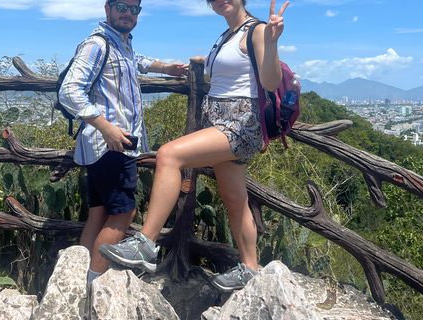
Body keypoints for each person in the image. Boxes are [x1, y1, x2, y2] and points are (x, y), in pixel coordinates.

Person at [99, 0, 289, 292]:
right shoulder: (228, 35)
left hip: (240, 123)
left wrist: (273, 42)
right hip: (221, 122)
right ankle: (250, 269)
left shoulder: (258, 30)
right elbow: (232, 70)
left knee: (169, 155)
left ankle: (145, 245)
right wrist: (202, 61)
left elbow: (271, 82)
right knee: (235, 199)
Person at [58, 0, 188, 285]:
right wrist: (106, 127)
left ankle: (77, 279)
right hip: (112, 144)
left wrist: (167, 68)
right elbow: (69, 91)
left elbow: (138, 60)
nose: (128, 13)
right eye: (121, 6)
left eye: (134, 9)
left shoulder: (121, 44)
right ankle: (94, 282)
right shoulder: (97, 44)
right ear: (107, 8)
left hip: (99, 147)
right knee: (123, 213)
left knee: (99, 213)